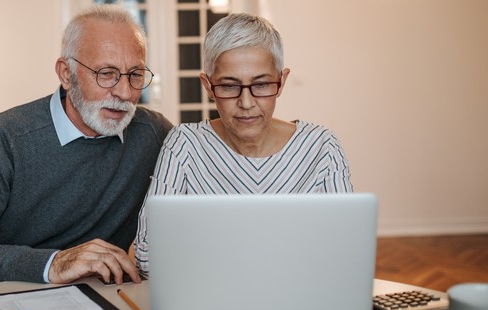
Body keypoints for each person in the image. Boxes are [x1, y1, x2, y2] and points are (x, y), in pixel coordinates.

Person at [0, 5, 173, 288]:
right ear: (66, 74)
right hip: (18, 301)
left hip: (113, 300)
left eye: (135, 75)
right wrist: (54, 264)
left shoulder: (154, 133)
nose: (125, 93)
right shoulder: (8, 137)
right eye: (106, 73)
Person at [133, 13, 353, 273]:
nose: (246, 103)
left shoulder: (322, 147)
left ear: (281, 81)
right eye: (228, 86)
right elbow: (146, 255)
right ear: (208, 85)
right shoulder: (184, 145)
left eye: (261, 85)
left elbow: (347, 252)